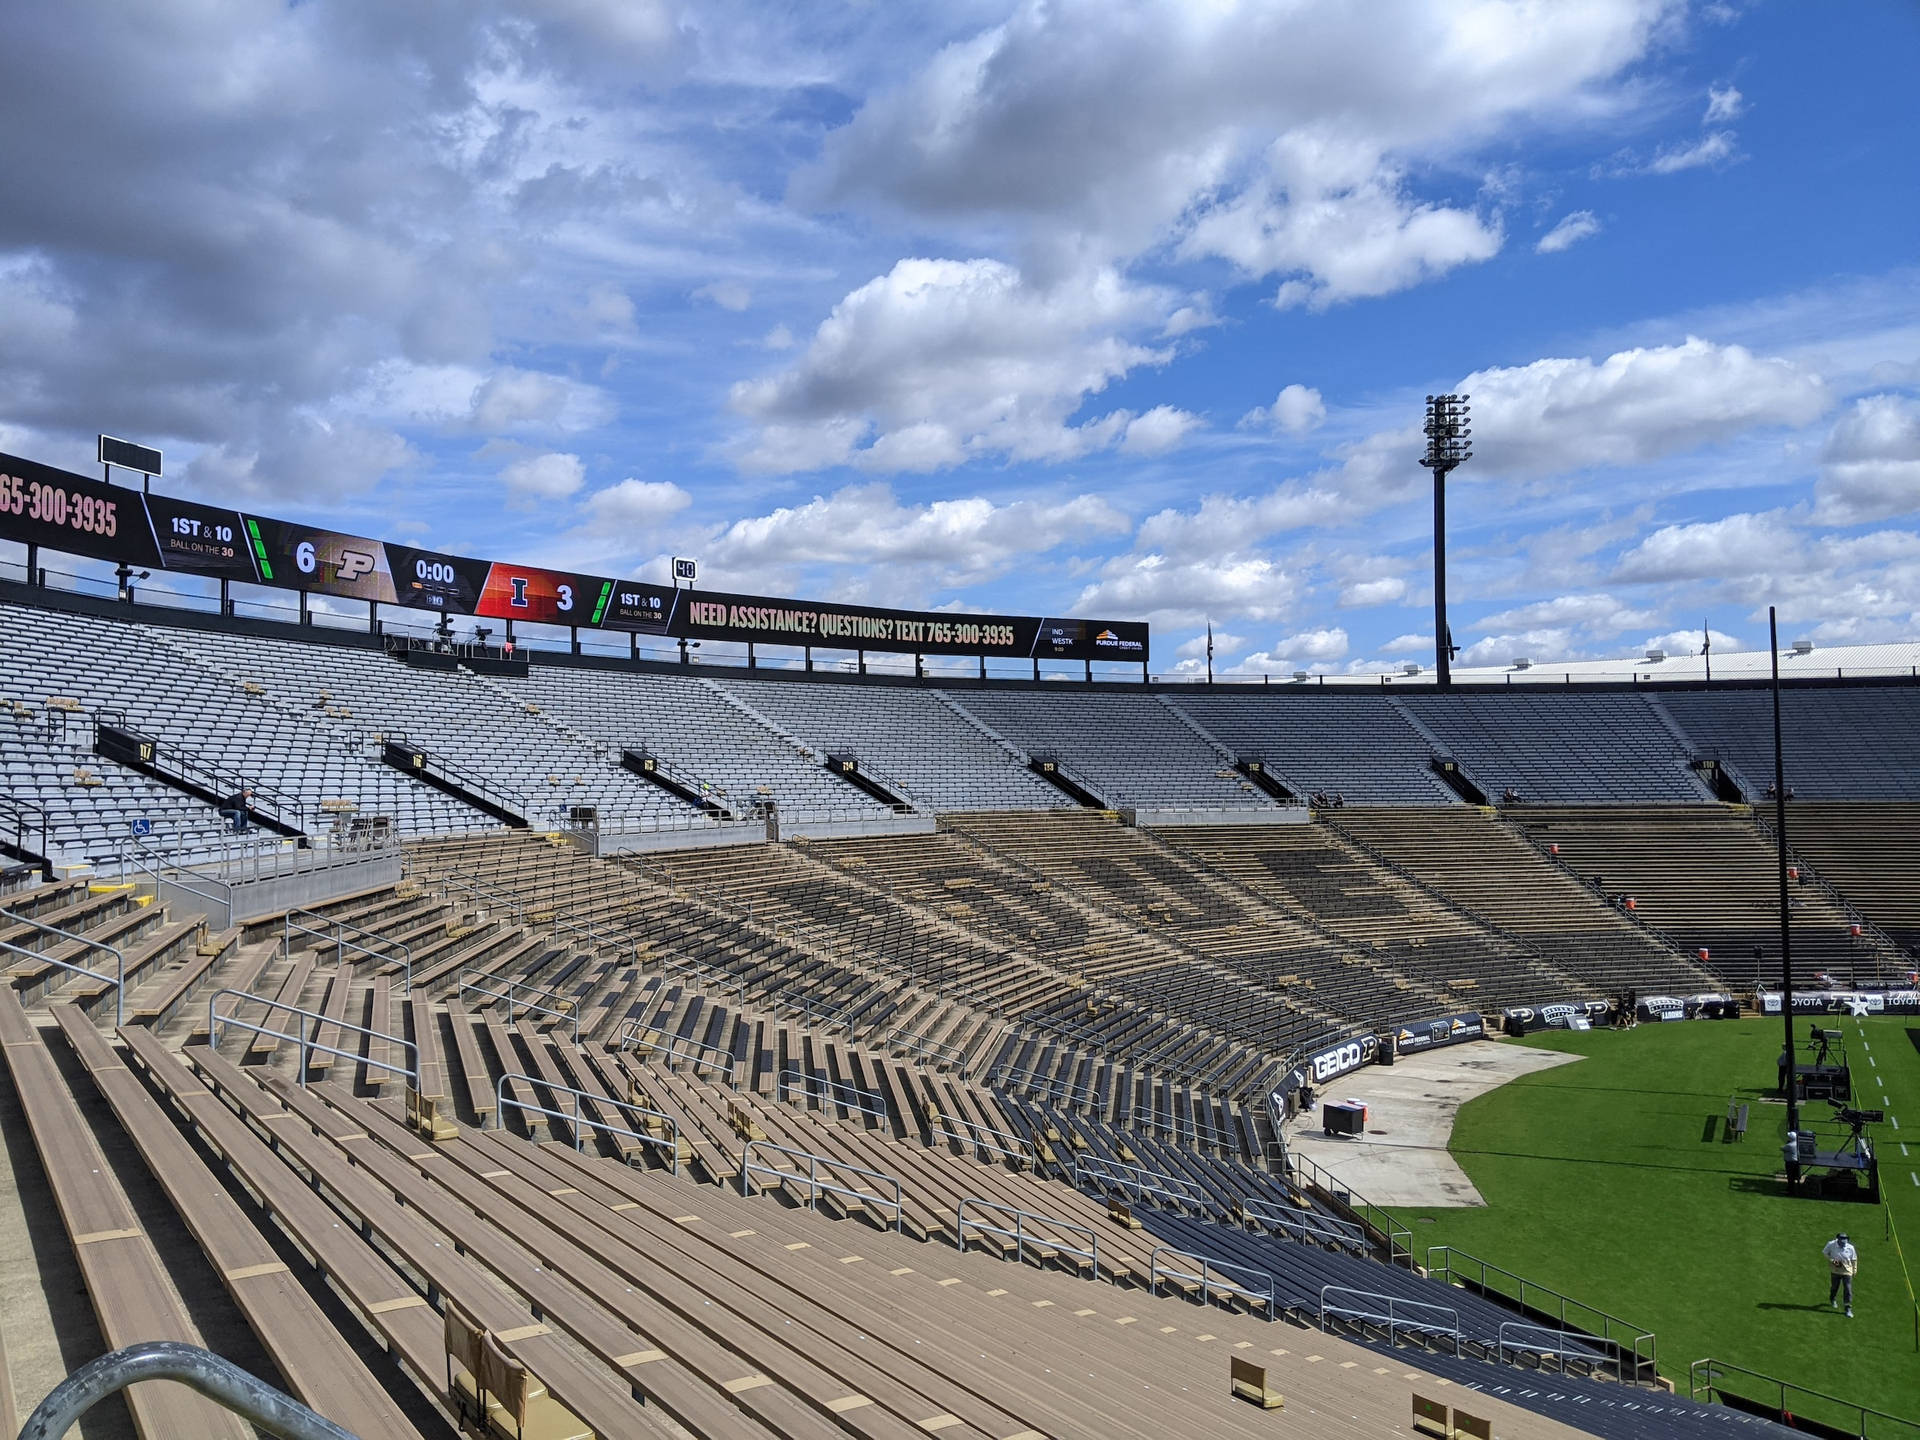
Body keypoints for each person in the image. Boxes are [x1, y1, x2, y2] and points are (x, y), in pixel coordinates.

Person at [1824, 1232, 1857, 1317]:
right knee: (1835, 1286)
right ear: (1837, 1240)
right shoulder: (1831, 1244)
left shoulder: (1850, 1248)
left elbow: (1854, 1259)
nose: (1843, 1243)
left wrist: (1854, 1269)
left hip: (1847, 1270)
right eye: (1842, 1241)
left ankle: (1848, 1308)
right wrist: (1833, 1261)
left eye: (1845, 1241)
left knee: (1848, 1288)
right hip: (1836, 1270)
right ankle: (1832, 1298)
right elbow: (1825, 1252)